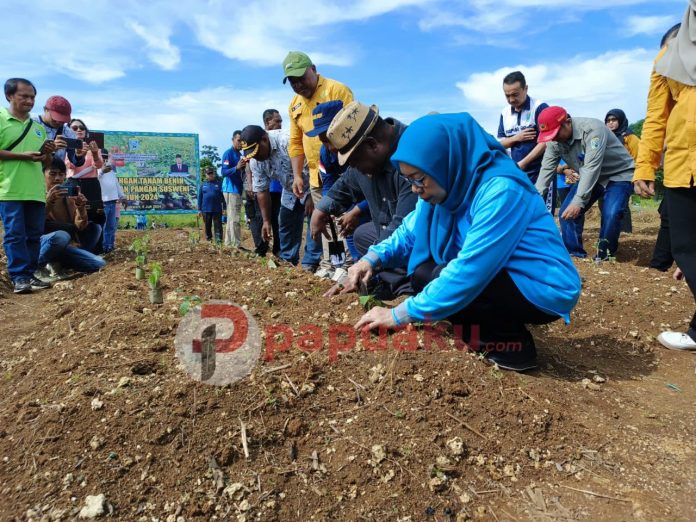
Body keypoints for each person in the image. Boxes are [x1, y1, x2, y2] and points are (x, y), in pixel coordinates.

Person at [345, 113, 581, 371]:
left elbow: (469, 271)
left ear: (444, 163)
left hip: (541, 286)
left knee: (442, 277)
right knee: (424, 273)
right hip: (503, 274)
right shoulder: (447, 188)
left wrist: (397, 315)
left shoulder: (500, 190)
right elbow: (408, 233)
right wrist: (371, 259)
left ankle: (512, 347)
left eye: (419, 179)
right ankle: (485, 327)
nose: (414, 189)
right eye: (409, 180)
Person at [633, 4, 696, 351]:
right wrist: (645, 166)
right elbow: (656, 116)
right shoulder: (663, 65)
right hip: (683, 164)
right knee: (685, 249)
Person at [312, 101, 418, 297]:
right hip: (395, 238)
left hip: (425, 243)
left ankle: (404, 291)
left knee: (421, 270)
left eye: (353, 161)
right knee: (362, 235)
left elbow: (402, 229)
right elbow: (347, 183)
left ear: (372, 144)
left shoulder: (412, 159)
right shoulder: (371, 155)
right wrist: (321, 209)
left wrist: (368, 263)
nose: (353, 168)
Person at [535, 106, 635, 261]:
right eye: (550, 136)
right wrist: (534, 199)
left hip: (618, 175)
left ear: (567, 122)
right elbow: (546, 170)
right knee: (565, 214)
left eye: (555, 133)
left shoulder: (592, 130)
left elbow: (591, 167)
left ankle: (604, 257)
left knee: (611, 213)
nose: (553, 139)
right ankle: (574, 255)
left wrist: (579, 201)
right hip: (592, 176)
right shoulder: (554, 142)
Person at [283, 51, 353, 272]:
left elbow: (353, 128)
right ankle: (332, 265)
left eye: (301, 78)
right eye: (292, 81)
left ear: (313, 69)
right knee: (324, 221)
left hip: (342, 170)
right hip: (316, 175)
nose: (298, 85)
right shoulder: (294, 105)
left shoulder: (336, 90)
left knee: (344, 218)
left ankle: (350, 265)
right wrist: (296, 175)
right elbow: (295, 142)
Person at [0, 78, 53, 293]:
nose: (29, 101)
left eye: (32, 97)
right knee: (15, 234)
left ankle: (29, 274)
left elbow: (45, 163)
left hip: (35, 190)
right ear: (10, 95)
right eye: (24, 96)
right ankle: (19, 276)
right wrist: (22, 155)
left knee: (33, 235)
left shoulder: (38, 128)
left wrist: (47, 154)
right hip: (9, 188)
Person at [240, 125, 320, 268]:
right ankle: (288, 260)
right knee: (285, 221)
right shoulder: (255, 161)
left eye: (257, 152)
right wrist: (266, 221)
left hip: (313, 184)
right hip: (290, 189)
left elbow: (316, 163)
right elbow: (262, 190)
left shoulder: (288, 141)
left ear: (264, 139)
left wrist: (312, 195)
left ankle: (310, 263)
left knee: (315, 221)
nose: (256, 158)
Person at [37, 158, 106, 279]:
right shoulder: (37, 195)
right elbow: (34, 224)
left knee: (99, 261)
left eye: (61, 174)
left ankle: (61, 263)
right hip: (44, 243)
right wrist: (48, 202)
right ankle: (37, 265)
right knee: (61, 236)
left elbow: (80, 226)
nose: (57, 178)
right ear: (43, 175)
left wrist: (80, 206)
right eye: (52, 174)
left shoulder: (68, 197)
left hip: (66, 245)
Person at [497, 71, 549, 182]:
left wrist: (524, 163)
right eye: (507, 96)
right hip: (518, 173)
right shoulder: (504, 113)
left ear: (525, 89)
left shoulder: (539, 107)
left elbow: (546, 141)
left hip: (542, 172)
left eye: (515, 94)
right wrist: (516, 138)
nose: (511, 99)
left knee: (542, 200)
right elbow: (500, 144)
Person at [605, 108, 640, 233]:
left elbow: (639, 157)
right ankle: (611, 231)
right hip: (607, 178)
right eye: (608, 120)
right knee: (606, 206)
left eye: (614, 120)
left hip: (626, 177)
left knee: (622, 205)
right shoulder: (605, 138)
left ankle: (625, 232)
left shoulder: (630, 138)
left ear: (621, 120)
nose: (610, 123)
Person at [35, 95, 85, 167]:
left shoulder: (67, 132)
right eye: (55, 118)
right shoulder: (31, 124)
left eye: (62, 120)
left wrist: (78, 156)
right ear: (45, 110)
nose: (58, 122)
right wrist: (51, 150)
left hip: (54, 176)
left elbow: (75, 160)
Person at [263, 108, 283, 256]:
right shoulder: (259, 142)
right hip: (267, 190)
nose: (280, 124)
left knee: (279, 221)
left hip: (282, 190)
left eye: (281, 121)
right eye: (277, 121)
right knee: (267, 220)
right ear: (267, 122)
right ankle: (264, 249)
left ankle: (278, 250)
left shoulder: (283, 139)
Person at [97, 156, 127, 253]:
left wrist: (123, 197)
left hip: (113, 202)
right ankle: (103, 247)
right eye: (103, 158)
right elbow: (95, 179)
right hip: (103, 202)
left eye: (106, 158)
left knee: (111, 225)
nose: (105, 161)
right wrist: (102, 171)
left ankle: (109, 246)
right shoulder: (96, 170)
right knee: (104, 226)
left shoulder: (111, 172)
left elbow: (117, 185)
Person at [220, 131, 245, 247]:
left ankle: (228, 243)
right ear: (233, 140)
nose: (240, 143)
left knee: (231, 217)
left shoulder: (241, 154)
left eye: (242, 141)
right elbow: (224, 172)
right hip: (231, 189)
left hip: (238, 188)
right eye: (238, 140)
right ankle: (237, 244)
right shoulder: (228, 154)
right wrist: (236, 167)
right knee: (235, 218)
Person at [198, 167, 225, 242]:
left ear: (214, 173)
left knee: (218, 226)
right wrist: (199, 209)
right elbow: (200, 198)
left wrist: (225, 208)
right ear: (206, 175)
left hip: (217, 209)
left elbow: (223, 197)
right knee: (207, 225)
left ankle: (219, 240)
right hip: (206, 209)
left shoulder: (219, 184)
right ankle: (209, 239)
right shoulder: (203, 185)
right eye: (208, 173)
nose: (210, 175)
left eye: (211, 173)